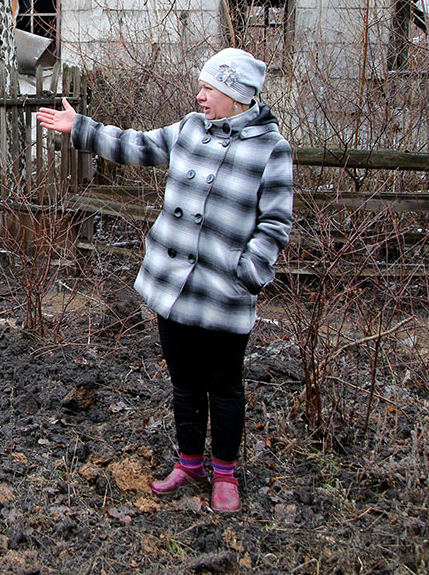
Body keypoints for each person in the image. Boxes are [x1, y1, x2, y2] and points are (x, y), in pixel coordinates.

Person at [36, 48, 293, 513]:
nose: (199, 95)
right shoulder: (190, 129)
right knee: (185, 381)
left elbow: (275, 223)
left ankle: (225, 475)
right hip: (173, 283)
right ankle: (190, 462)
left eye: (208, 88)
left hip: (224, 290)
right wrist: (83, 129)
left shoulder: (270, 148)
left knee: (225, 385)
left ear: (234, 95)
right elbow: (138, 145)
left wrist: (248, 273)